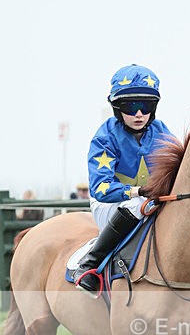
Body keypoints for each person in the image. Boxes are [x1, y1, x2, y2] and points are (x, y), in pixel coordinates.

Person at [73, 64, 174, 293]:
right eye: (130, 106)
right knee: (137, 204)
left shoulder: (161, 131)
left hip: (150, 201)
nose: (139, 114)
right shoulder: (105, 136)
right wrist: (137, 191)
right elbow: (101, 189)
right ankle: (90, 264)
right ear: (117, 108)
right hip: (110, 204)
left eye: (146, 106)